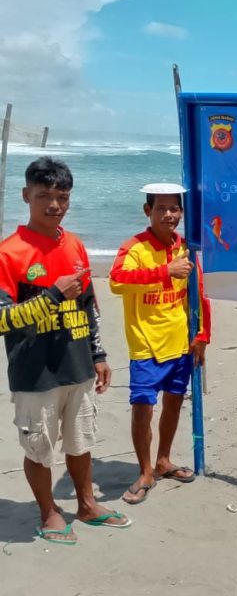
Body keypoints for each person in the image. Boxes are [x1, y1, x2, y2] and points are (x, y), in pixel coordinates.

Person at [0, 157, 131, 545]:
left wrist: (99, 353)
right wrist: (54, 294)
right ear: (26, 196)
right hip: (35, 373)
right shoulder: (10, 252)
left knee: (81, 441)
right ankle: (48, 511)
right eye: (43, 196)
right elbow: (3, 320)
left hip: (78, 366)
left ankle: (87, 505)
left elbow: (88, 303)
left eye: (61, 196)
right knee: (40, 449)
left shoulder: (74, 245)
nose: (53, 205)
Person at [109, 183, 211, 505]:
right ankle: (145, 471)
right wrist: (165, 271)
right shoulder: (135, 248)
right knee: (143, 409)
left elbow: (199, 293)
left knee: (174, 404)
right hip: (146, 346)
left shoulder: (186, 247)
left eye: (174, 209)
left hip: (180, 343)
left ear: (181, 212)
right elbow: (117, 281)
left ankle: (164, 461)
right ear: (147, 211)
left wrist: (203, 335)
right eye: (161, 209)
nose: (168, 215)